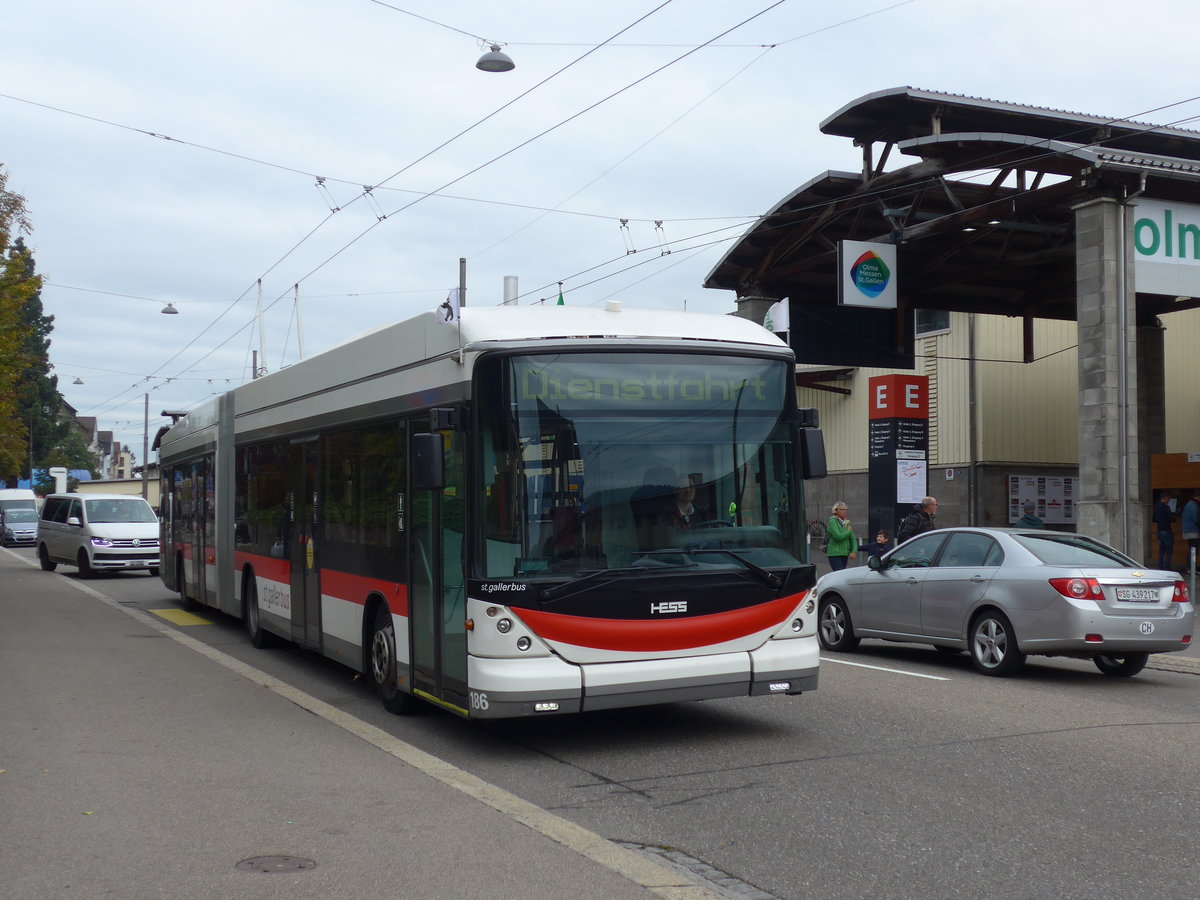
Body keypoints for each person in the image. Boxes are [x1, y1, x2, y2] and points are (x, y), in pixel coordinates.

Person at [825, 501, 857, 571]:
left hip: (844, 554)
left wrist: (854, 551)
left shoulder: (847, 522)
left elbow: (853, 539)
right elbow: (838, 537)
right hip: (835, 554)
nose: (844, 511)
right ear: (835, 510)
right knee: (839, 574)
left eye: (846, 509)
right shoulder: (832, 521)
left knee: (842, 574)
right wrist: (848, 531)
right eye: (842, 509)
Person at [1152, 493, 1175, 570]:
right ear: (1165, 498)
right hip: (1166, 530)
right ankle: (1167, 567)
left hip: (1159, 530)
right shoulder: (1166, 507)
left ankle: (1160, 566)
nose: (1169, 500)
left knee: (1161, 549)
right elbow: (1170, 518)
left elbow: (1154, 519)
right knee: (1168, 550)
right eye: (1168, 499)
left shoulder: (1156, 506)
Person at [1181, 490, 1200, 569]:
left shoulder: (1190, 504)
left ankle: (1191, 569)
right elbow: (1196, 519)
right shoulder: (1193, 505)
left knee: (1192, 550)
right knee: (1193, 551)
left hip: (1190, 530)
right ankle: (1191, 569)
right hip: (1192, 531)